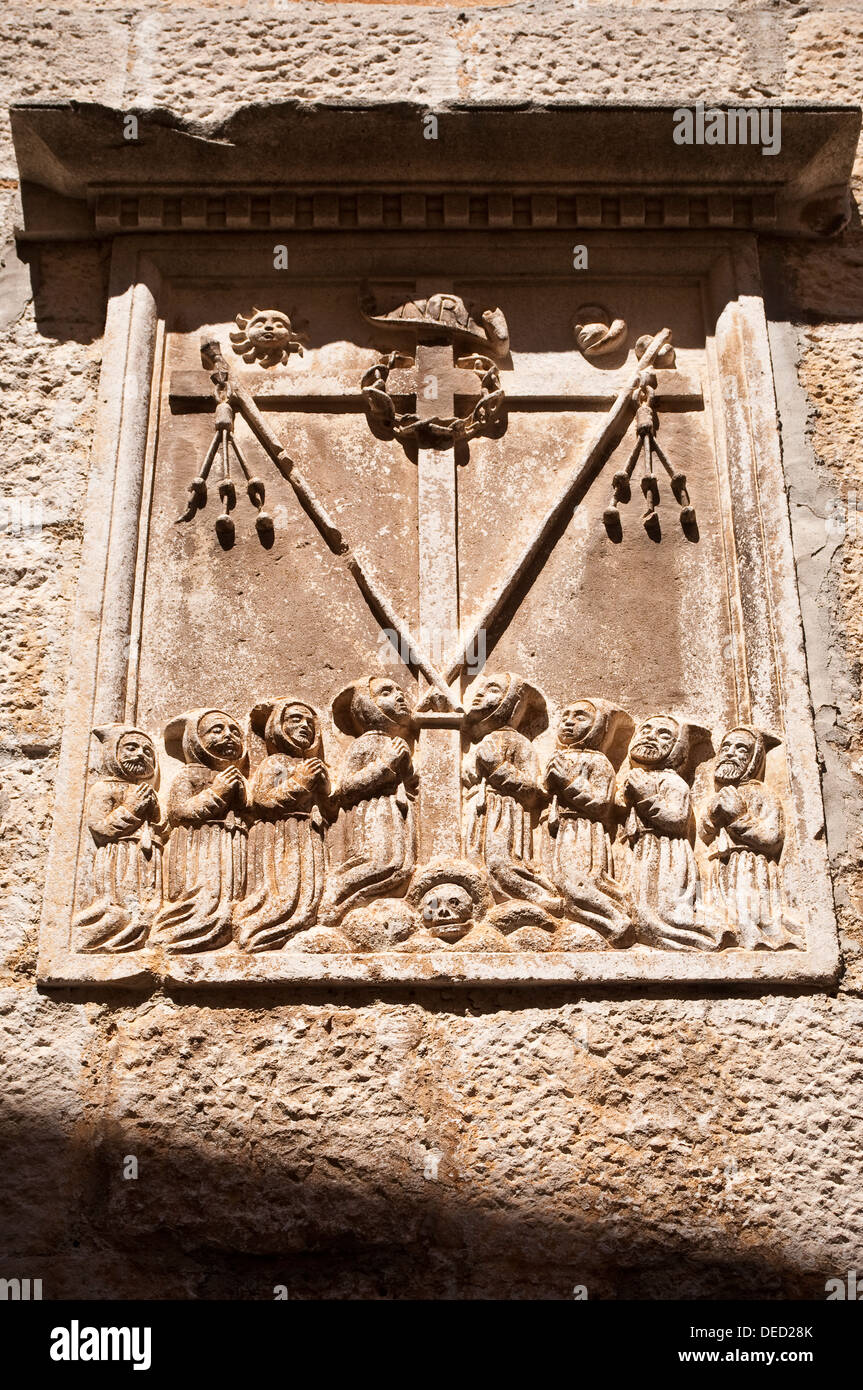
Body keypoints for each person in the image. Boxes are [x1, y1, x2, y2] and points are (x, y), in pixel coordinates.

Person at [319, 677, 417, 923]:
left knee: (399, 868)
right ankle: (334, 897)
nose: (398, 696)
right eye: (386, 692)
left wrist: (409, 774)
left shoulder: (394, 743)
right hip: (372, 813)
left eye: (399, 690)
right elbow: (346, 789)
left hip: (396, 813)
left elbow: (410, 786)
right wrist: (387, 763)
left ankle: (350, 907)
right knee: (378, 863)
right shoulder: (365, 743)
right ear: (367, 704)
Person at [235, 699, 330, 952]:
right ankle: (264, 934)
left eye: (310, 722)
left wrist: (324, 789)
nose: (305, 726)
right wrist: (301, 781)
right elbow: (264, 800)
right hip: (281, 833)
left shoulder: (308, 764)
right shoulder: (276, 763)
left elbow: (329, 808)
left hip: (307, 834)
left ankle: (299, 926)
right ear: (278, 726)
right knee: (283, 893)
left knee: (309, 893)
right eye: (296, 719)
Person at [463, 672, 562, 914]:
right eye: (482, 688)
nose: (480, 693)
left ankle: (541, 898)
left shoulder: (520, 743)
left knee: (502, 863)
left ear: (513, 704)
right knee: (476, 863)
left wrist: (497, 767)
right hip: (478, 812)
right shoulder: (480, 743)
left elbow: (532, 790)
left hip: (505, 811)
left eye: (494, 689)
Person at [618, 713, 718, 949]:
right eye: (646, 731)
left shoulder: (673, 781)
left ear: (676, 748)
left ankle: (702, 940)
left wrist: (645, 794)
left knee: (662, 913)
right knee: (637, 908)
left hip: (665, 852)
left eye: (663, 735)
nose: (650, 737)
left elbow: (676, 819)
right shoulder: (638, 776)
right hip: (640, 849)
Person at [151, 709, 247, 952]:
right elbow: (178, 812)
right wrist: (218, 792)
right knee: (202, 896)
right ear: (196, 739)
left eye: (235, 731)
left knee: (229, 896)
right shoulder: (189, 774)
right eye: (218, 730)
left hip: (230, 843)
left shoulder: (236, 777)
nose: (229, 736)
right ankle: (185, 933)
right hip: (200, 843)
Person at [542, 699, 634, 944]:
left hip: (582, 829)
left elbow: (602, 804)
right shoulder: (558, 756)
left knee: (578, 883)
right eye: (566, 716)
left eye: (580, 716)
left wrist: (567, 781)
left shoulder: (598, 761)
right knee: (558, 883)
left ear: (598, 727)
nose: (569, 721)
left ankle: (616, 923)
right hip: (556, 828)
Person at [700, 725, 799, 949]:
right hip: (720, 864)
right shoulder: (719, 795)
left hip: (750, 863)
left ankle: (757, 942)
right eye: (725, 747)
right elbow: (704, 835)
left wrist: (739, 817)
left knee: (748, 909)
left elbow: (772, 838)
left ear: (754, 760)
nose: (730, 752)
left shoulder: (762, 793)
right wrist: (712, 819)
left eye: (741, 748)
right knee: (724, 911)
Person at [73, 724, 164, 953]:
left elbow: (160, 827)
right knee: (120, 905)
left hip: (147, 856)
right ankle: (103, 940)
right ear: (113, 753)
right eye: (131, 748)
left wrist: (156, 817)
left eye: (147, 751)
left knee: (148, 906)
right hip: (120, 855)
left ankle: (141, 936)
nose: (140, 754)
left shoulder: (146, 790)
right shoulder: (105, 788)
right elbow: (100, 828)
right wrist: (132, 809)